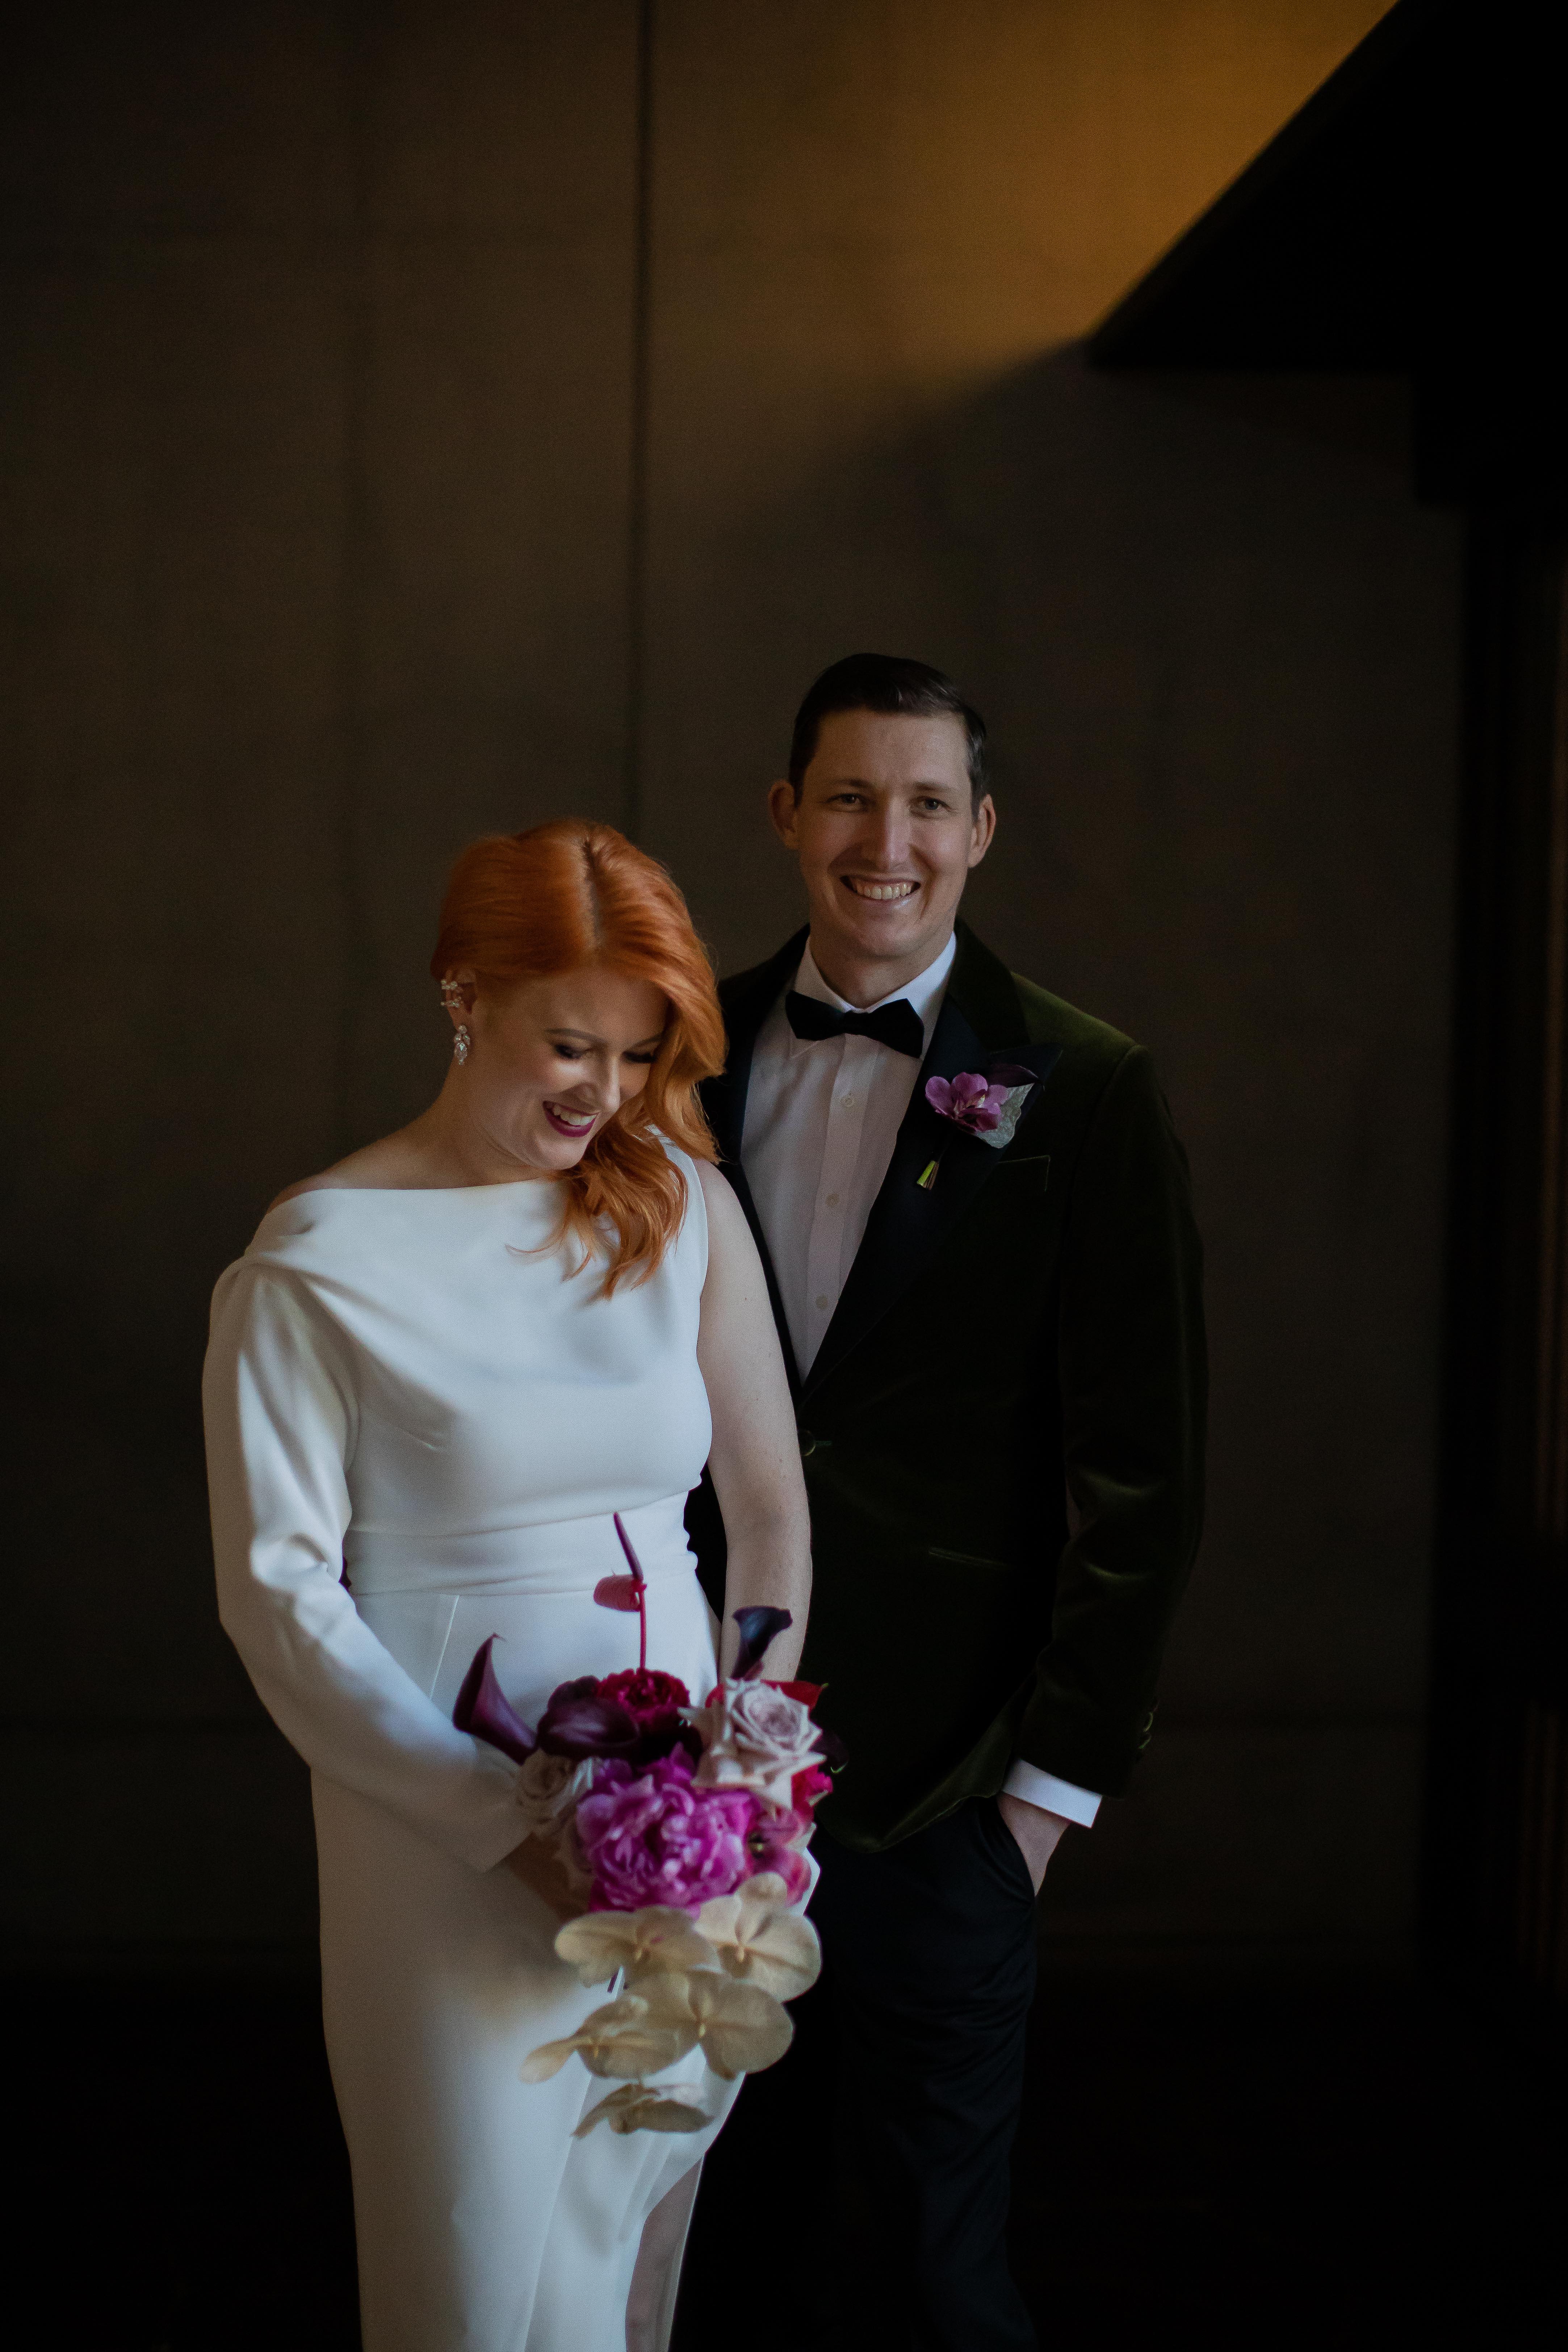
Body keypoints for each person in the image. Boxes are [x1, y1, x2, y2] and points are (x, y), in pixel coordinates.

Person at [202, 820, 811, 2352]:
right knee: (468, 2288)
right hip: (446, 1842)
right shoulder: (318, 1258)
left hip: (688, 1838)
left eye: (638, 1053)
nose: (602, 1091)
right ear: (464, 995)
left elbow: (765, 1514)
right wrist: (505, 1826)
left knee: (618, 2258)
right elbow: (280, 1598)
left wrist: (750, 1765)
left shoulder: (677, 1200)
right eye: (569, 1043)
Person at [676, 654, 1206, 2351]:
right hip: (696, 1775)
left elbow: (1145, 1474)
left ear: (979, 830)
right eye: (849, 796)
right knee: (703, 2261)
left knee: (931, 2282)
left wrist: (1042, 1803)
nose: (884, 840)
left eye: (925, 803)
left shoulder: (1087, 1085)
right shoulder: (677, 1059)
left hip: (953, 1796)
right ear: (788, 814)